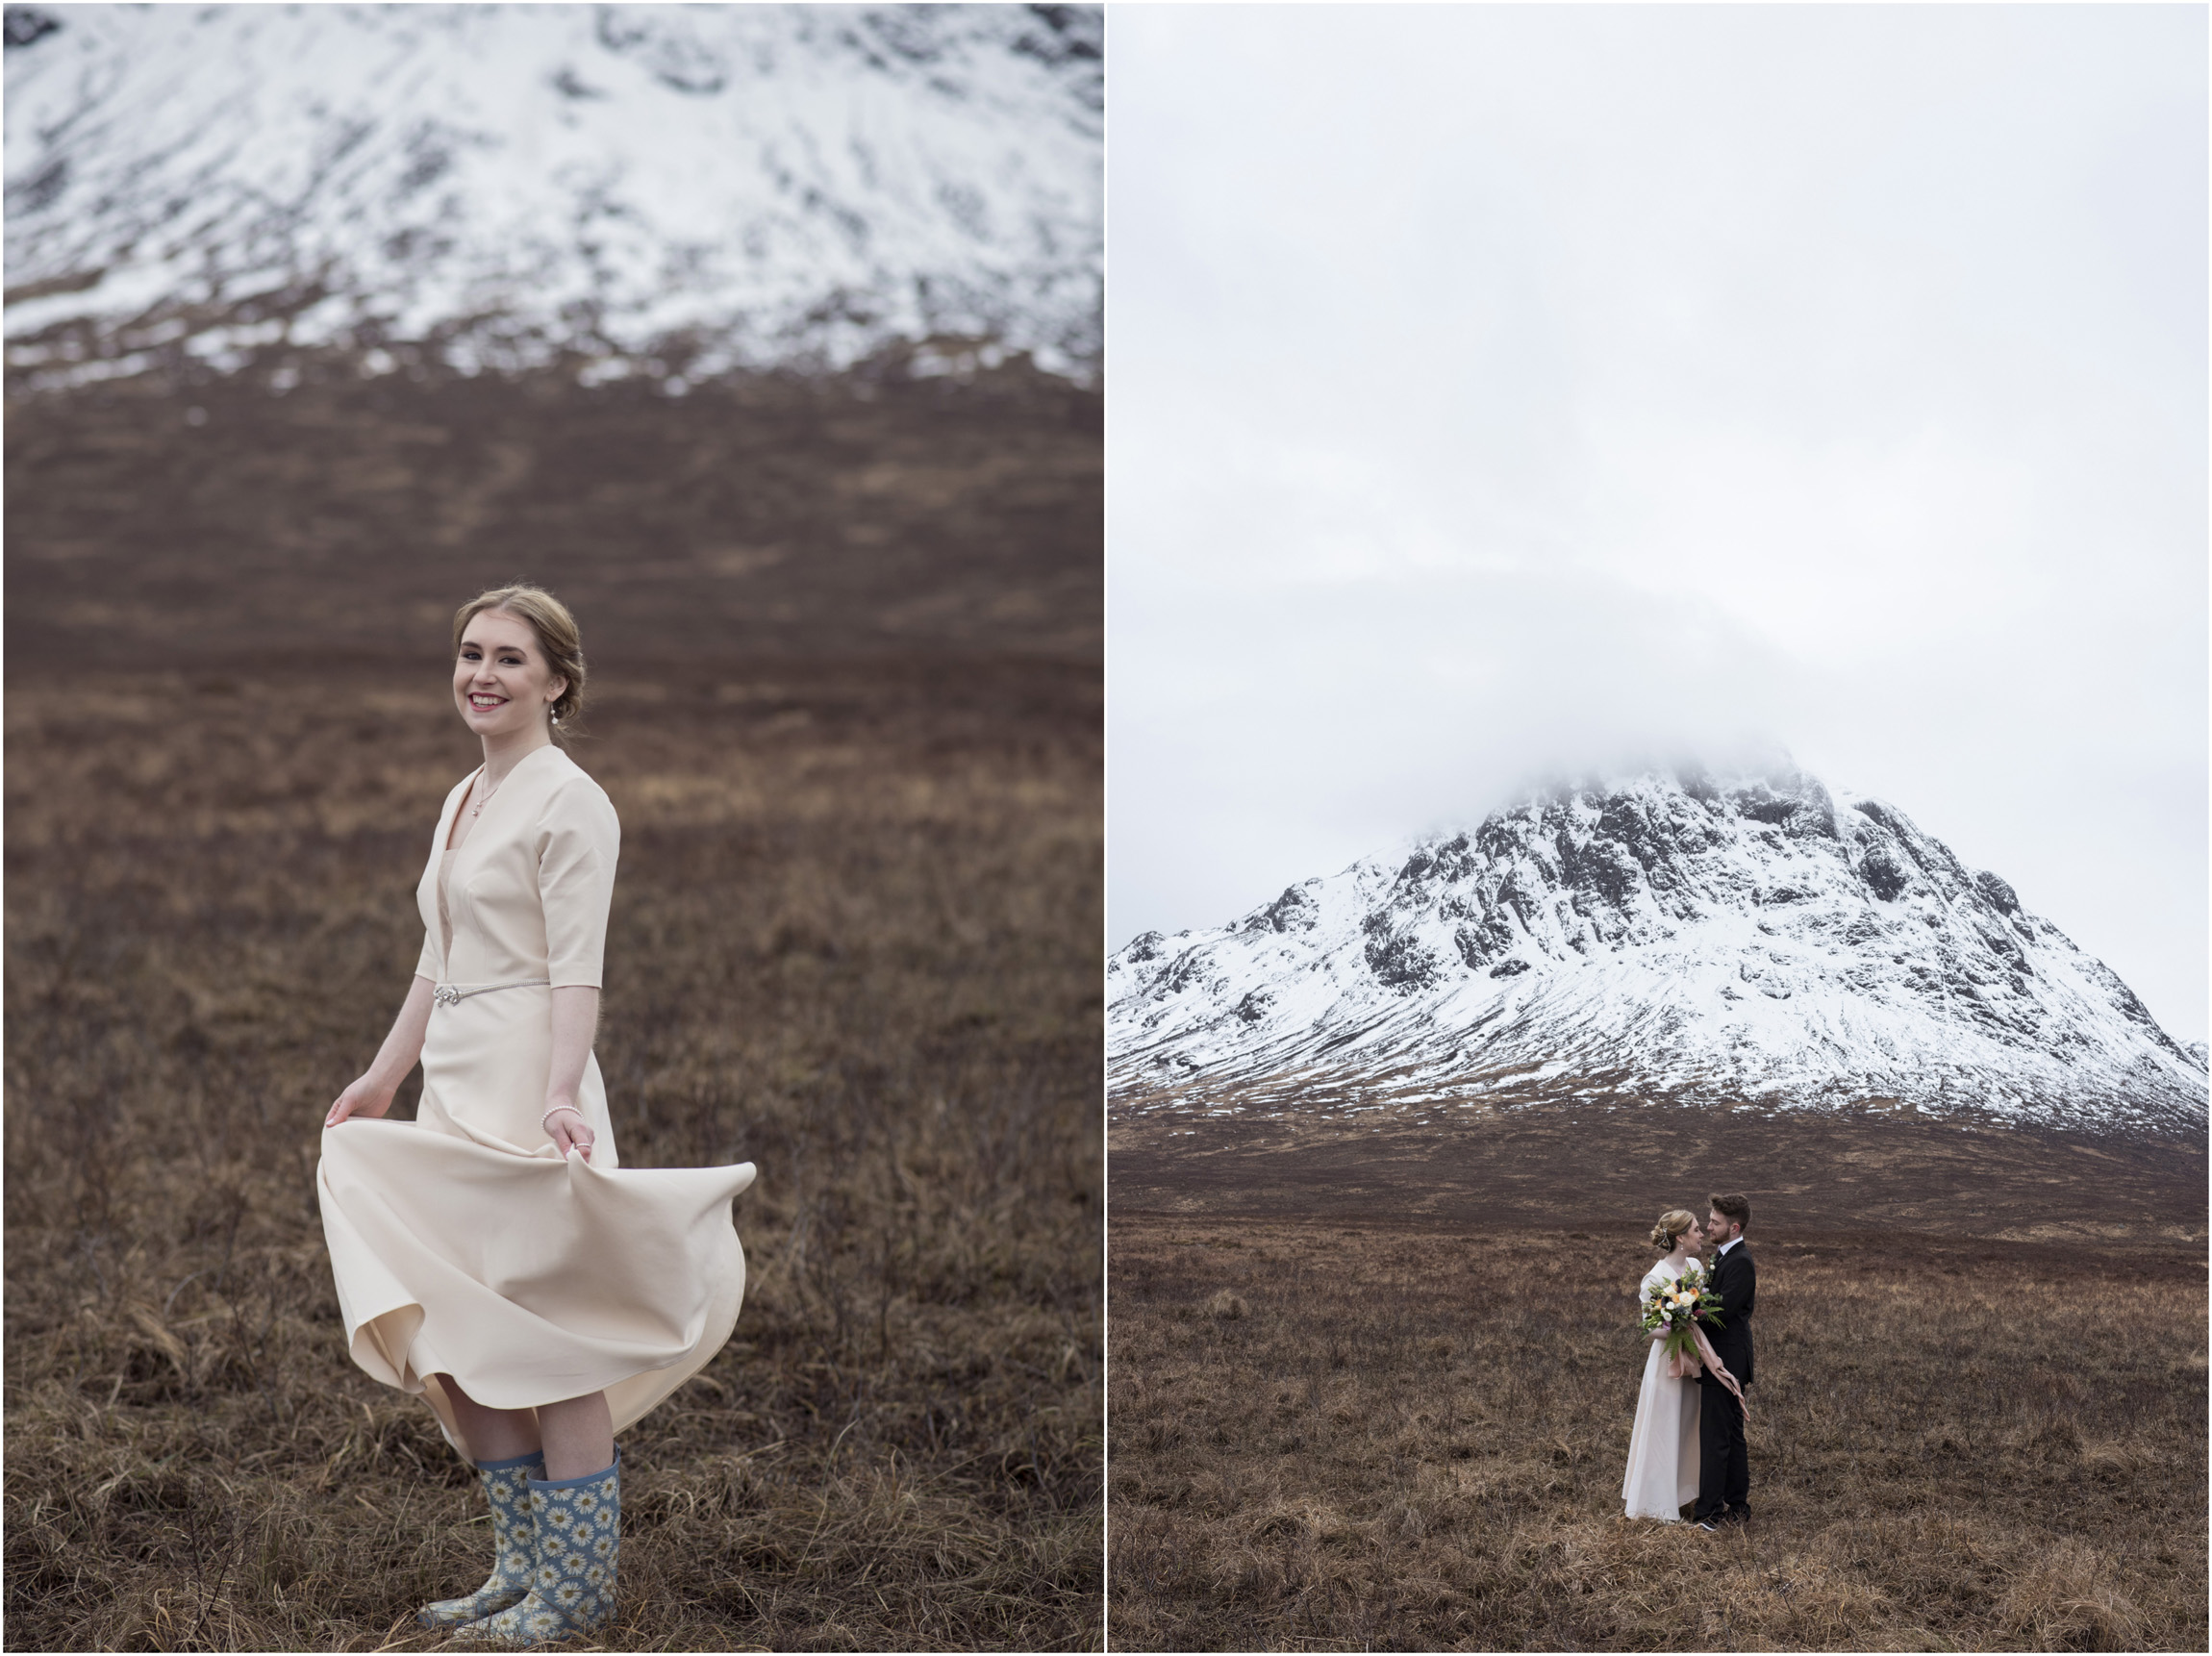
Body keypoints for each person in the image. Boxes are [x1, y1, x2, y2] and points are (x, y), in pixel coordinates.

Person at [317, 585, 756, 1643]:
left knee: (543, 1339)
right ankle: (519, 1567)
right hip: (451, 1083)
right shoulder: (461, 798)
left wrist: (561, 1091)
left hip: (526, 1079)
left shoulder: (573, 802)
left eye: (509, 659)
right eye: (470, 653)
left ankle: (577, 1591)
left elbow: (577, 974)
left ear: (556, 681)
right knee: (459, 1337)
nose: (482, 674)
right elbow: (439, 957)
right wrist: (384, 1079)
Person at [1621, 1209, 1707, 1520]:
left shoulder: (1696, 1267)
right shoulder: (1656, 1277)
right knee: (1664, 1427)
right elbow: (1649, 1328)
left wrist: (1697, 1315)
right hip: (1666, 1363)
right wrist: (1677, 1322)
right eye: (1697, 1230)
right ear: (1681, 1237)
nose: (1702, 1234)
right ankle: (1655, 1502)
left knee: (1687, 1426)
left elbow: (1705, 1303)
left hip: (1693, 1359)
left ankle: (1686, 1491)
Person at [1693, 1192, 1756, 1530]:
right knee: (1730, 1434)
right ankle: (1737, 1507)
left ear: (1733, 1227)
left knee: (1717, 1435)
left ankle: (1709, 1514)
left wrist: (1684, 1314)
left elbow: (1720, 1312)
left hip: (1727, 1360)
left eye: (1714, 1222)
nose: (1708, 1226)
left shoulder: (1741, 1262)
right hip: (1724, 1357)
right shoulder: (1724, 1256)